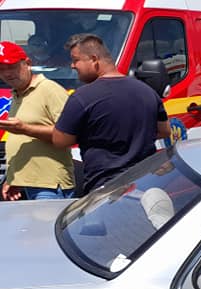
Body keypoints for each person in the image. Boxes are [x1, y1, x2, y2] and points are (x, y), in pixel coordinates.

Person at [52, 34, 171, 195]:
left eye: (75, 60)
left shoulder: (82, 97)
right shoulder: (147, 92)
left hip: (105, 190)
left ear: (94, 59)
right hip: (144, 184)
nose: (72, 66)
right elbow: (164, 130)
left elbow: (60, 140)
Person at [0, 41, 75, 201]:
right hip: (27, 184)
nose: (7, 74)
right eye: (1, 69)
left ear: (27, 63)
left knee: (46, 226)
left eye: (11, 67)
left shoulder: (49, 90)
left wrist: (25, 128)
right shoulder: (18, 93)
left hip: (49, 186)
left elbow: (69, 135)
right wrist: (13, 177)